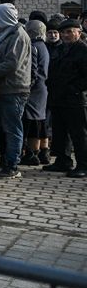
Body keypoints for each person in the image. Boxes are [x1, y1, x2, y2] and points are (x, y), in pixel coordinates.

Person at [0, 3, 31, 178]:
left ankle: (12, 165)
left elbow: (11, 64)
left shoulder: (18, 35)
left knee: (12, 128)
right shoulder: (4, 34)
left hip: (13, 89)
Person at [47, 19, 87, 177]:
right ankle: (63, 161)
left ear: (78, 32)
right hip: (58, 97)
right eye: (63, 32)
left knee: (79, 134)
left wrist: (74, 89)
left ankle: (83, 164)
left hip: (75, 99)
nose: (66, 35)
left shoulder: (82, 50)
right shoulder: (62, 49)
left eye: (70, 31)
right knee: (60, 132)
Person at [21, 20, 50, 167]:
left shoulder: (34, 47)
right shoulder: (43, 46)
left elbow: (33, 71)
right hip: (41, 88)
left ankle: (32, 153)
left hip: (34, 89)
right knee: (40, 120)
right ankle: (42, 151)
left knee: (32, 122)